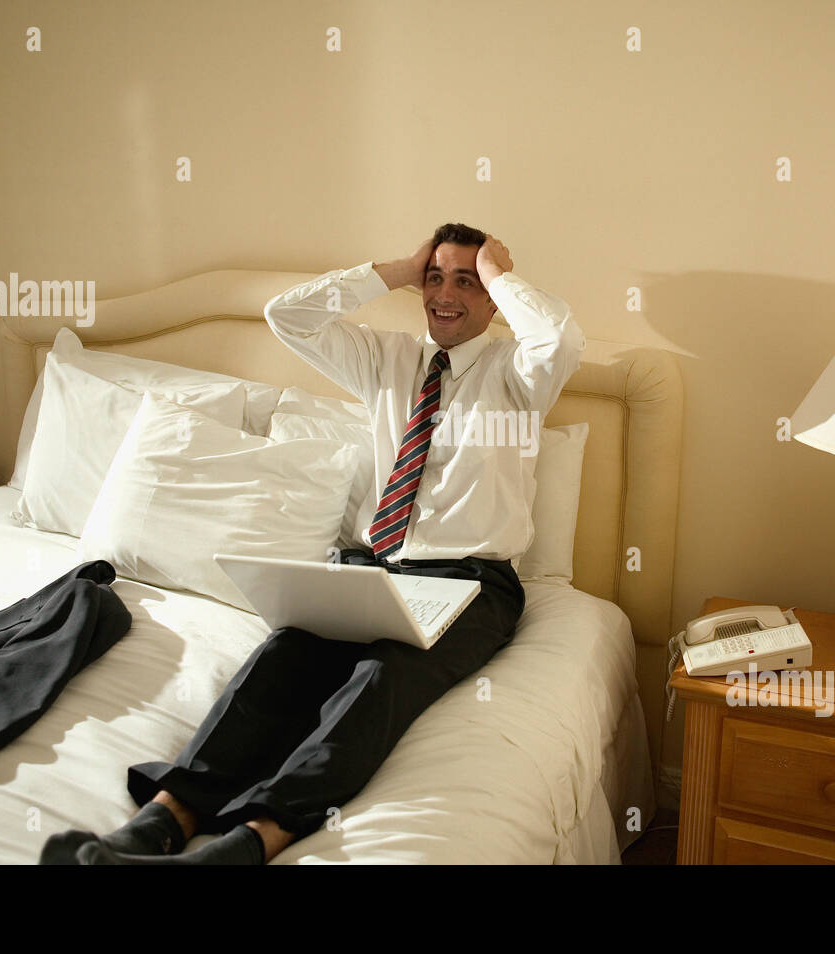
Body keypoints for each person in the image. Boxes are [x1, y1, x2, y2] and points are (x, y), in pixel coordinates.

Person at [40, 223, 584, 864]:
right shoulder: (386, 359)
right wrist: (398, 269)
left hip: (468, 581)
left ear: (492, 299)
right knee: (286, 658)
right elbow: (287, 317)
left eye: (465, 282)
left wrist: (495, 273)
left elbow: (559, 338)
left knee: (383, 676)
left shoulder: (518, 376)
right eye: (435, 279)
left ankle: (253, 839)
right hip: (371, 563)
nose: (445, 294)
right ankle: (165, 819)